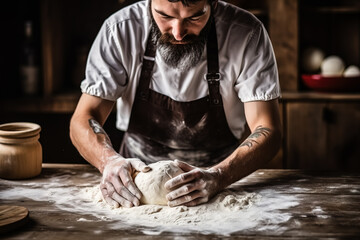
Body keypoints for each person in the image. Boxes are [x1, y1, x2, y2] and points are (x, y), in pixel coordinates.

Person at [69, 0, 282, 208]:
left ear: (214, 5)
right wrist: (109, 161)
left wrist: (219, 176)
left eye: (195, 16)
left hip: (222, 178)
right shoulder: (120, 30)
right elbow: (84, 117)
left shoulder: (246, 33)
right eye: (165, 16)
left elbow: (268, 129)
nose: (178, 32)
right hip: (135, 180)